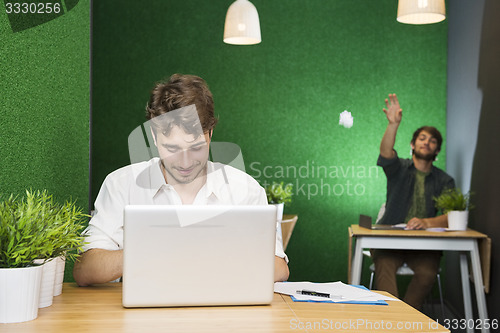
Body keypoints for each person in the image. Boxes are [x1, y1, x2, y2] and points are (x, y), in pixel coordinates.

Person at [73, 74, 289, 286]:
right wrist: (151, 249)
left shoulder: (245, 189)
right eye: (173, 148)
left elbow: (280, 269)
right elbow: (85, 269)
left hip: (223, 316)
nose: (185, 162)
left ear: (210, 134)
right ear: (155, 138)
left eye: (196, 147)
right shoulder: (121, 184)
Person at [372, 93, 455, 310]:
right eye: (422, 138)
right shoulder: (398, 168)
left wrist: (427, 223)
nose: (427, 142)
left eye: (432, 140)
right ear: (412, 144)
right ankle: (395, 320)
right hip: (390, 242)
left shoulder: (445, 180)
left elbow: (453, 217)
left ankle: (405, 320)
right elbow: (385, 153)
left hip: (424, 246)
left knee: (428, 274)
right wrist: (393, 125)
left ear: (437, 151)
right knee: (384, 267)